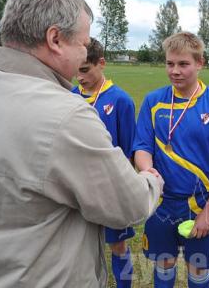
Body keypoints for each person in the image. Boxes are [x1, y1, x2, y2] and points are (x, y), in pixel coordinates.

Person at [0, 0, 163, 288]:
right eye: (82, 44)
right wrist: (151, 182)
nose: (85, 54)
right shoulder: (65, 114)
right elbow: (129, 205)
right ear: (55, 38)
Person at [133, 31, 209, 288]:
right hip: (161, 203)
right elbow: (142, 148)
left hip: (199, 204)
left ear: (200, 63)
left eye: (183, 64)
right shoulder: (154, 101)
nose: (175, 71)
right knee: (163, 264)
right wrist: (149, 172)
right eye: (170, 63)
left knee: (198, 268)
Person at [72, 37, 137, 288]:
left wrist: (122, 191)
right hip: (76, 187)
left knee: (118, 246)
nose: (80, 77)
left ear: (101, 63)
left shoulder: (121, 100)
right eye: (77, 70)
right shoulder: (69, 96)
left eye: (85, 70)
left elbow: (128, 152)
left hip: (111, 189)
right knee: (81, 247)